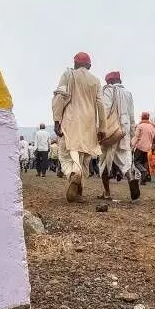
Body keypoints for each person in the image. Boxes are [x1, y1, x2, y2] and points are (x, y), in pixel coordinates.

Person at [53, 52, 106, 202]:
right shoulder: (95, 80)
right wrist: (102, 128)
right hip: (89, 123)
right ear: (89, 65)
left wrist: (57, 121)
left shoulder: (68, 75)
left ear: (75, 64)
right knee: (83, 157)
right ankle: (79, 189)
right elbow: (101, 105)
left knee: (65, 154)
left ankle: (72, 174)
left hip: (71, 120)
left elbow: (60, 97)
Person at [98, 71, 140, 201]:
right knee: (125, 159)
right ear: (119, 81)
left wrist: (100, 128)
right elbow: (132, 115)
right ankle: (131, 178)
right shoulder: (128, 93)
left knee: (104, 160)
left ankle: (107, 192)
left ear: (109, 82)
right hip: (124, 130)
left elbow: (104, 109)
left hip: (111, 130)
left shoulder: (108, 90)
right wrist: (132, 133)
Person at [132, 111, 155, 185]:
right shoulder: (152, 127)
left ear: (142, 117)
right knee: (145, 162)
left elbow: (136, 136)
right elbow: (154, 138)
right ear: (148, 118)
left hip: (140, 147)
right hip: (149, 148)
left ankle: (143, 171)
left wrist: (132, 145)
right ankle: (143, 180)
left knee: (136, 162)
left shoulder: (140, 126)